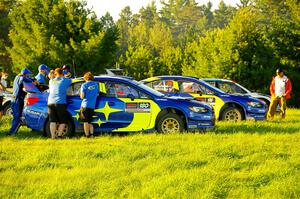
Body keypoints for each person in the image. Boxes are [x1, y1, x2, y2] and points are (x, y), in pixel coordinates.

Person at [7, 68, 33, 135]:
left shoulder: (18, 77)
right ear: (25, 74)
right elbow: (23, 79)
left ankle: (13, 132)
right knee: (17, 116)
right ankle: (10, 133)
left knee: (18, 117)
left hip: (18, 99)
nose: (29, 75)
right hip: (17, 99)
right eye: (28, 74)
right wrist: (32, 80)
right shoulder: (20, 77)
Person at [48, 68, 72, 139]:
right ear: (63, 73)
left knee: (53, 121)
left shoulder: (51, 81)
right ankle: (59, 135)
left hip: (50, 102)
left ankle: (53, 137)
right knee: (63, 121)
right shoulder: (65, 80)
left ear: (55, 73)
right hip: (60, 102)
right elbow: (71, 80)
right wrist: (67, 76)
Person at [80, 72, 99, 137]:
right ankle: (92, 134)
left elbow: (82, 96)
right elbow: (97, 94)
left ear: (85, 78)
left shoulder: (84, 85)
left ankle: (87, 135)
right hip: (92, 106)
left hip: (85, 105)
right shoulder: (96, 84)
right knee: (90, 121)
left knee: (85, 122)